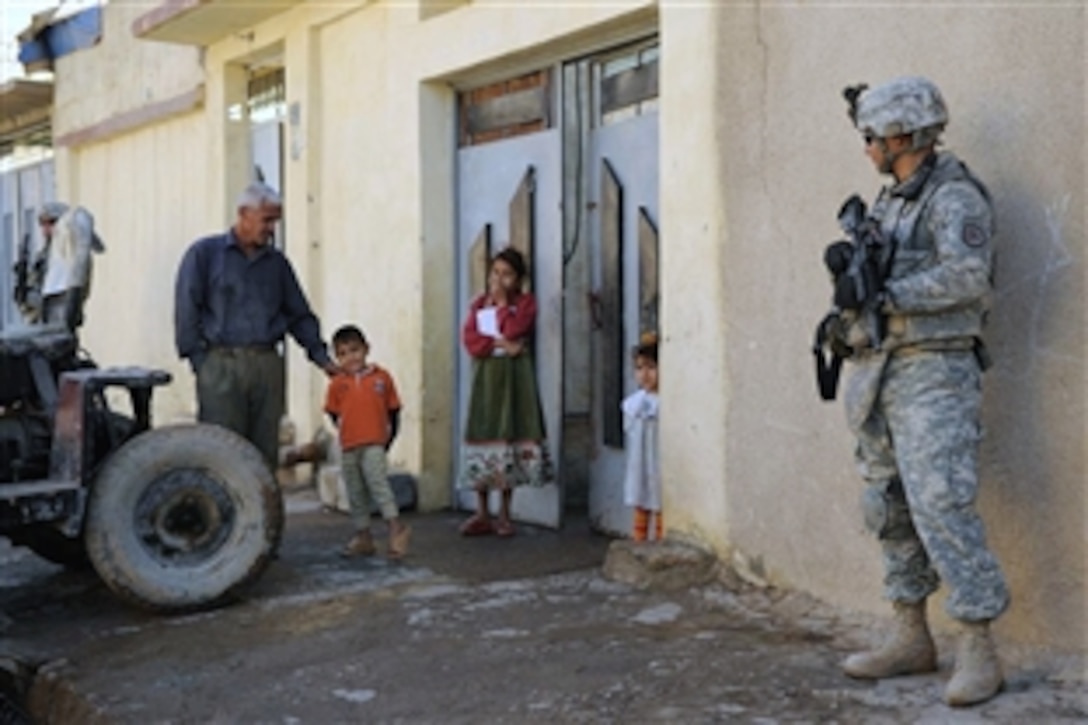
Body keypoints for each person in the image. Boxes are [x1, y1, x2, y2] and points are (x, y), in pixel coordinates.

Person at [828, 76, 1010, 707]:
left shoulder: (954, 198)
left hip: (935, 372)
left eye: (873, 136)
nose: (868, 148)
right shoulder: (890, 203)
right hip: (880, 370)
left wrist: (886, 295)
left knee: (941, 505)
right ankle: (911, 635)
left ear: (903, 135)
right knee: (889, 505)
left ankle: (979, 648)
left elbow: (968, 277)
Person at [174, 182, 338, 473]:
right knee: (221, 450)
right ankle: (223, 516)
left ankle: (262, 516)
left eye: (276, 221)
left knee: (263, 453)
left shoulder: (277, 264)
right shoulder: (205, 255)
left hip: (266, 364)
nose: (272, 229)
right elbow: (187, 309)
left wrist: (321, 357)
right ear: (243, 214)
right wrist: (201, 361)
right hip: (221, 364)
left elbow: (299, 314)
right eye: (267, 220)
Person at [459, 247, 552, 537]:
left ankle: (505, 513)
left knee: (508, 437)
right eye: (495, 273)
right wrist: (501, 346)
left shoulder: (525, 304)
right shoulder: (477, 306)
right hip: (486, 379)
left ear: (519, 279)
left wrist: (501, 309)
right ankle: (481, 511)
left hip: (513, 381)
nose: (499, 280)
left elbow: (514, 330)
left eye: (507, 275)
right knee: (483, 432)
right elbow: (472, 340)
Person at [324, 324, 411, 559]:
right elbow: (333, 413)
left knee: (378, 485)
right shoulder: (337, 384)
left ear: (366, 349)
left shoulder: (382, 378)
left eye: (354, 350)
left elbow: (394, 410)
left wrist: (387, 440)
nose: (350, 358)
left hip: (374, 443)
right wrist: (347, 430)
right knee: (355, 491)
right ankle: (363, 536)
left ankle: (396, 529)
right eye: (342, 354)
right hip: (349, 445)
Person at [14, 202, 104, 330]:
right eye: (42, 223)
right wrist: (23, 293)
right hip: (41, 323)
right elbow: (35, 298)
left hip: (58, 320)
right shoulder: (44, 256)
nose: (46, 229)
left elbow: (66, 293)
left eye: (51, 222)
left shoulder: (69, 252)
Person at [622, 332, 662, 542]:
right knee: (641, 495)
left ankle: (660, 541)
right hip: (640, 460)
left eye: (651, 368)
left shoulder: (666, 403)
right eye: (639, 368)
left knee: (660, 498)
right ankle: (638, 542)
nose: (645, 374)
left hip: (659, 460)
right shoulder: (633, 404)